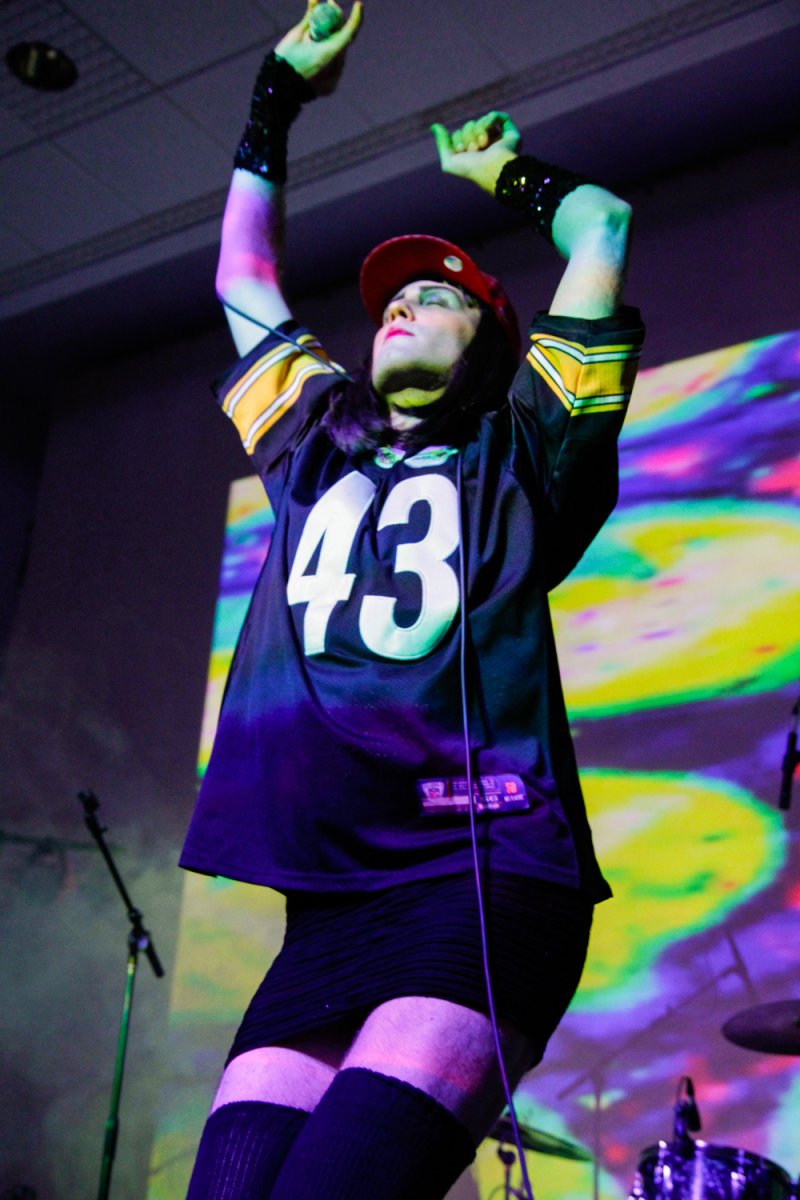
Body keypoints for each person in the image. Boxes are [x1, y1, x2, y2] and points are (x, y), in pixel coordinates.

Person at [179, 3, 644, 1197]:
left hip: (479, 881)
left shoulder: (525, 448)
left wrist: (506, 176)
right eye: (391, 296)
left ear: (490, 339)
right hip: (327, 913)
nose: (398, 303)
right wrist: (275, 97)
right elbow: (241, 273)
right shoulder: (310, 443)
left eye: (437, 295)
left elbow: (600, 222)